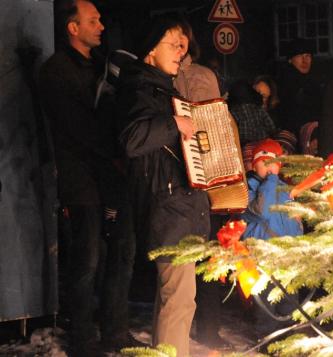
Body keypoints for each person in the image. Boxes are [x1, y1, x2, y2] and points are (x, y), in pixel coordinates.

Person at [38, 0, 137, 355]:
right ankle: (83, 338)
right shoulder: (57, 70)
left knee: (122, 253)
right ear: (72, 27)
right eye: (92, 21)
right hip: (82, 179)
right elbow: (78, 127)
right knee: (88, 259)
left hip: (112, 175)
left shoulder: (103, 66)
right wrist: (116, 151)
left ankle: (116, 330)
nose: (101, 26)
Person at [116, 15, 210, 356]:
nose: (181, 52)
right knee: (179, 300)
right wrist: (174, 123)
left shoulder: (158, 87)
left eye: (183, 46)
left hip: (176, 205)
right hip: (167, 205)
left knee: (173, 297)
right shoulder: (140, 88)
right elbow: (131, 139)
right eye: (173, 44)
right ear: (150, 51)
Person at [171, 19, 230, 350]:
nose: (177, 47)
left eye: (181, 40)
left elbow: (213, 129)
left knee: (205, 252)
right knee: (179, 257)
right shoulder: (158, 76)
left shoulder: (201, 76)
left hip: (201, 176)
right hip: (171, 179)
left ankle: (208, 327)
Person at [240, 139, 303, 337]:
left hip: (287, 257)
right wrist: (271, 180)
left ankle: (289, 341)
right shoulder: (247, 189)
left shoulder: (285, 189)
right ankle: (266, 341)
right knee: (265, 306)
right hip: (262, 257)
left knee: (290, 303)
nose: (268, 167)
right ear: (253, 163)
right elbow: (262, 210)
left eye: (272, 163)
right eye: (263, 161)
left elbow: (296, 221)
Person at [276, 38, 325, 138]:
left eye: (308, 56)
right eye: (299, 56)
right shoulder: (284, 82)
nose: (305, 60)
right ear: (290, 60)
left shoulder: (316, 81)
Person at [228, 79, 277, 145]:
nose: (259, 96)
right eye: (257, 92)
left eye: (264, 96)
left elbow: (273, 131)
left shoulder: (264, 113)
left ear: (268, 101)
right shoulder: (232, 110)